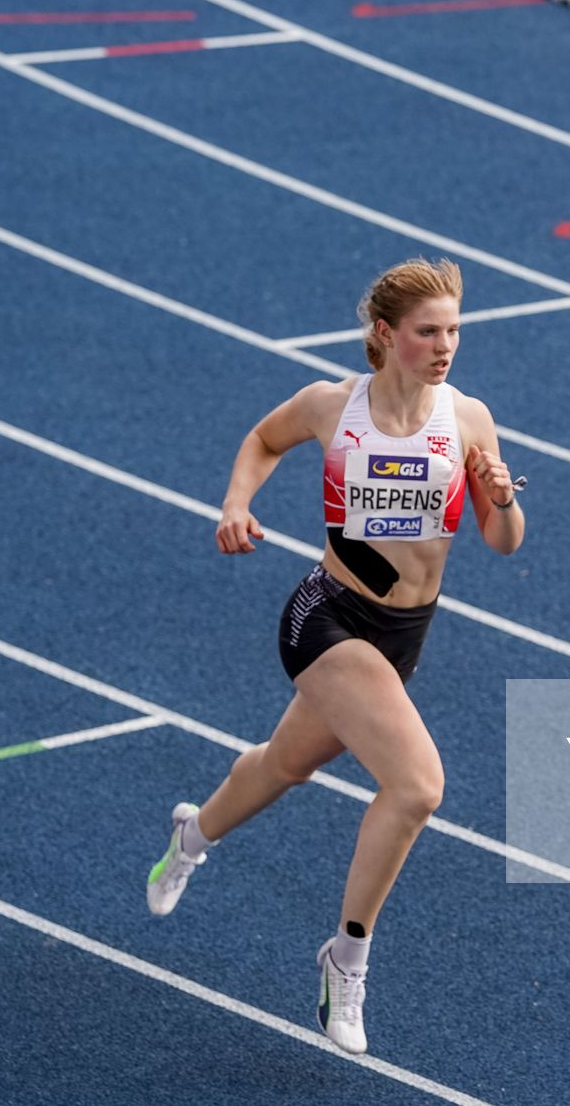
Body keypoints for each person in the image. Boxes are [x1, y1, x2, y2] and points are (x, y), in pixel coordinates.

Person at [143, 257, 524, 1055]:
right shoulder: (332, 406)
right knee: (417, 786)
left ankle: (192, 836)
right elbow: (261, 439)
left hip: (404, 634)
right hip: (328, 617)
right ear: (386, 335)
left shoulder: (468, 419)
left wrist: (503, 494)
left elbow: (503, 541)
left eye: (455, 329)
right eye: (429, 332)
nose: (445, 345)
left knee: (286, 763)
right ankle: (345, 957)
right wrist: (236, 505)